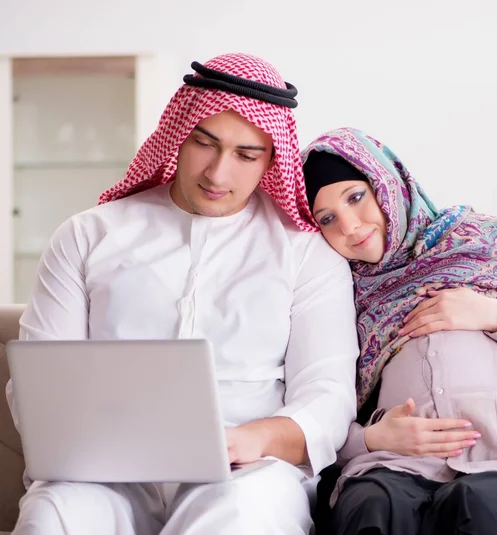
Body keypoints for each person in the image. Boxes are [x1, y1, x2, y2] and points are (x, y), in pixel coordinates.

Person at [6, 53, 363, 535]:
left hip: (248, 476)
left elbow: (326, 395)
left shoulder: (306, 254)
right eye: (204, 143)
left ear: (272, 159)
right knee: (52, 517)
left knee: (235, 516)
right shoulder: (87, 236)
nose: (218, 174)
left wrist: (246, 442)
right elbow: (38, 382)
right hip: (102, 475)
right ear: (179, 135)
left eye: (245, 155)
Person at [301, 127, 497, 535]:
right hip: (393, 467)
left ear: (387, 184)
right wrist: (369, 440)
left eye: (356, 197)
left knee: (478, 506)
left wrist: (496, 316)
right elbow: (320, 412)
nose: (350, 226)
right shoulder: (337, 294)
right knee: (372, 506)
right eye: (327, 218)